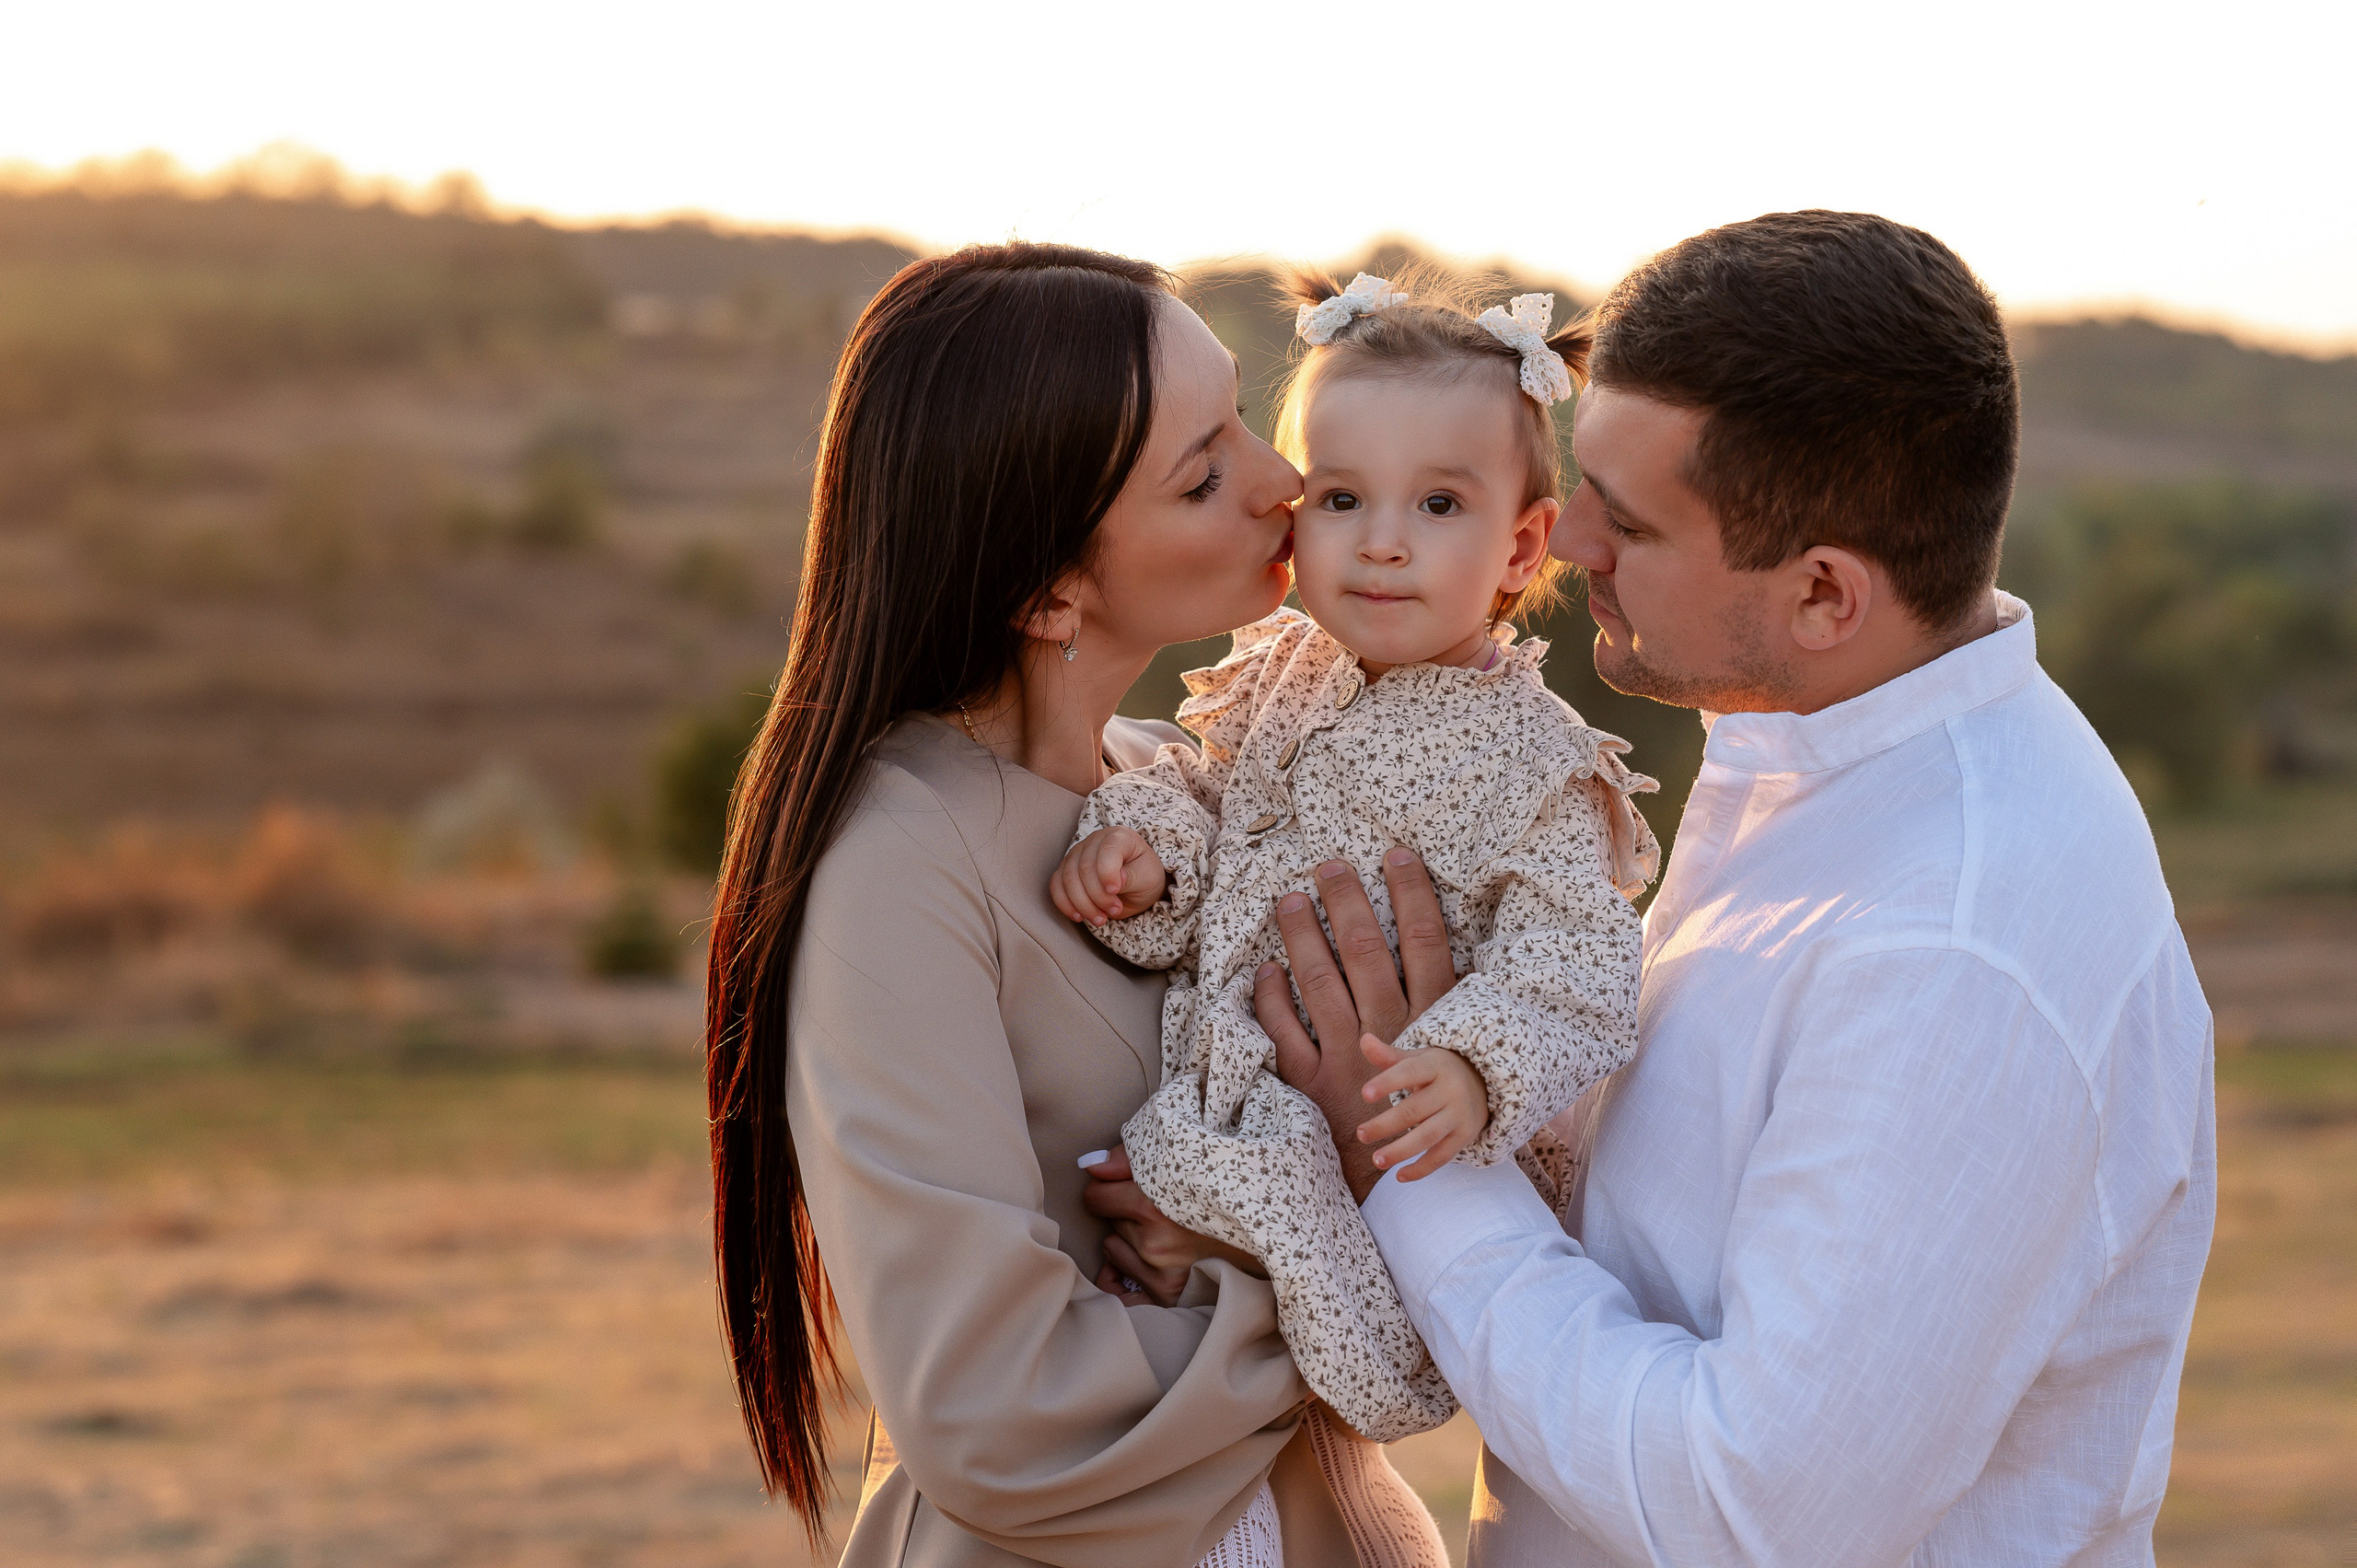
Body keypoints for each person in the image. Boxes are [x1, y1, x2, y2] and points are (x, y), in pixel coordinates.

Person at [1215, 211, 2215, 1566]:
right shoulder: (1821, 749)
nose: (1558, 538)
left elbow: (1756, 1510)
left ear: (1822, 594)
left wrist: (1403, 1152)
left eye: (1625, 520)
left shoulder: (1953, 950)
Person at [705, 242, 1404, 1568]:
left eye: (1245, 421)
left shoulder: (1176, 783)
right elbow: (993, 1405)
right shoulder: (901, 865)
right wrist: (1345, 1290)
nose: (1282, 484)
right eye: (1204, 474)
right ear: (1046, 590)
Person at [1051, 269, 1656, 1473]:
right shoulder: (1276, 671)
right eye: (1340, 498)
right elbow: (1202, 796)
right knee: (1163, 1191)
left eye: (1439, 504)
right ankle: (1183, 1332)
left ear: (1521, 543)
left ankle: (1374, 1358)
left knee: (1229, 1179)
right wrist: (1145, 851)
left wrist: (1473, 1065)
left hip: (1406, 1128)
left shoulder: (1534, 760)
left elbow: (1581, 964)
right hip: (1234, 1069)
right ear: (1293, 516)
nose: (1382, 542)